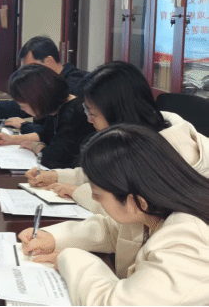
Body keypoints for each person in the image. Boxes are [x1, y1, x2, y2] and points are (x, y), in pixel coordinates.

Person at [19, 124, 209, 305]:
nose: (93, 197)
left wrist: (68, 259)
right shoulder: (156, 207)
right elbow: (116, 230)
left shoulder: (188, 244)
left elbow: (112, 303)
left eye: (97, 194)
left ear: (136, 202)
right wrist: (54, 238)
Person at [25, 61, 209, 212]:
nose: (89, 120)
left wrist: (77, 192)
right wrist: (56, 176)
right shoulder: (138, 135)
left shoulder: (163, 152)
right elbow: (104, 174)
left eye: (93, 114)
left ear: (117, 113)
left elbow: (136, 212)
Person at [0, 36, 87, 141]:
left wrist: (25, 126)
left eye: (32, 67)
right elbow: (18, 106)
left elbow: (53, 134)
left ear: (48, 62)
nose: (29, 73)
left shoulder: (74, 87)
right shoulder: (50, 84)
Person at [0, 64, 94, 169]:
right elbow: (46, 134)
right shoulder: (57, 108)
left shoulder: (74, 113)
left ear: (37, 99)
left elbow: (57, 159)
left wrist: (37, 147)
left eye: (22, 105)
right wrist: (11, 139)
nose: (22, 109)